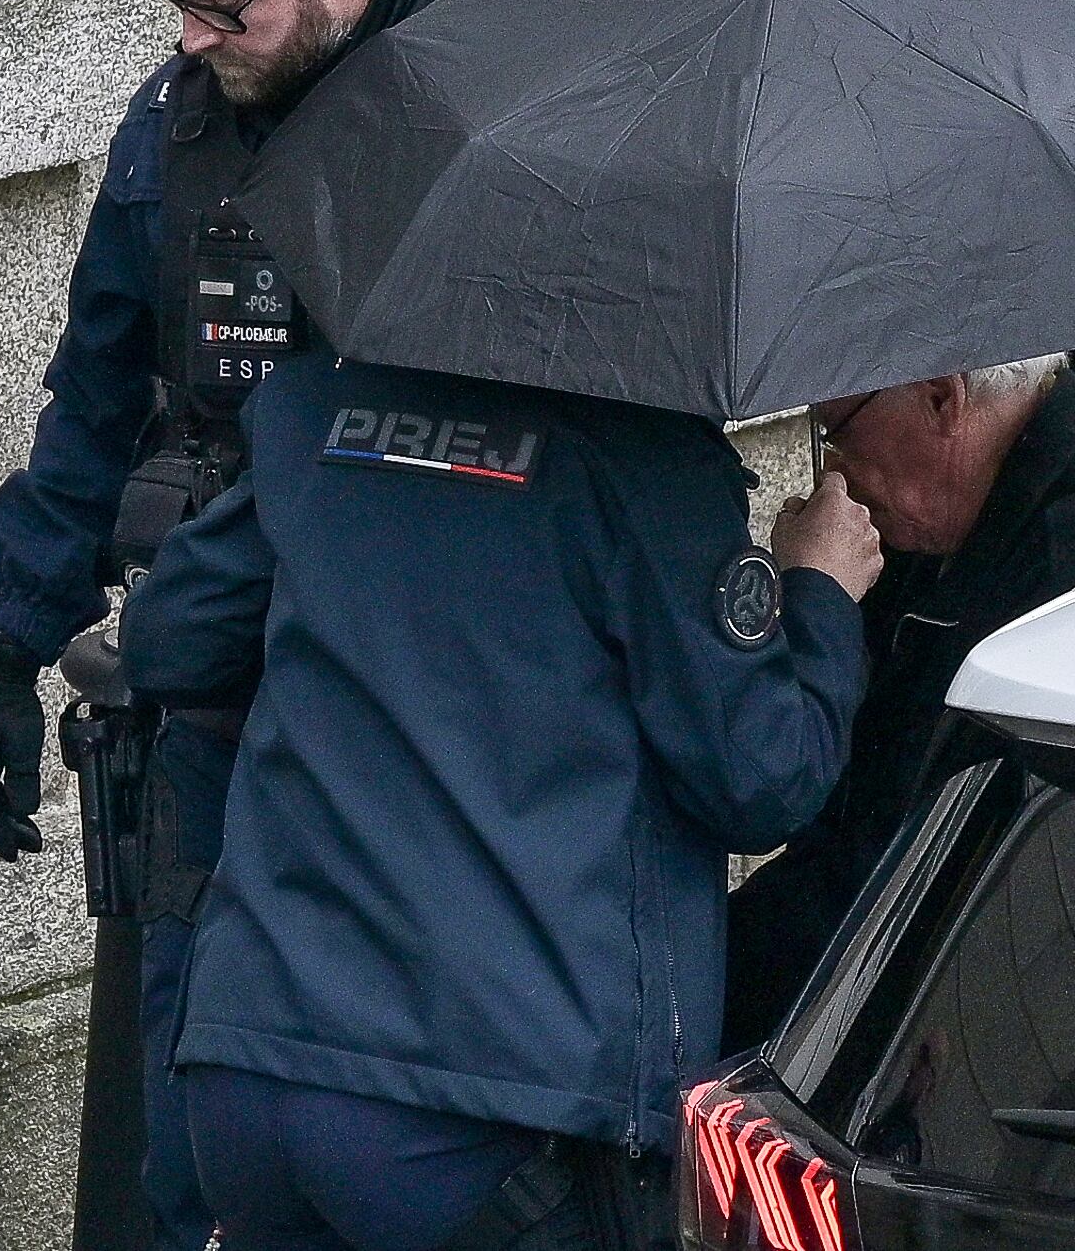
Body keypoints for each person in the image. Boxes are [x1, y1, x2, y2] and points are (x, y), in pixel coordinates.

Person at [0, 0, 476, 1249]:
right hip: (211, 701)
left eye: (224, 4)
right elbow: (97, 406)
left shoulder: (491, 103)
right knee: (184, 1132)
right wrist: (4, 651)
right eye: (173, 2)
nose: (193, 38)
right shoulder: (175, 133)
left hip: (420, 719)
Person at [118, 354, 882, 1250]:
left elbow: (170, 641)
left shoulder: (313, 408)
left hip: (257, 1067)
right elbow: (760, 778)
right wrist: (819, 594)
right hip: (490, 1111)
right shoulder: (649, 459)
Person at [722, 356, 1075, 1048]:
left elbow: (891, 869)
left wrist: (818, 596)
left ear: (939, 398)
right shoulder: (960, 516)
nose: (833, 473)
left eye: (837, 432)